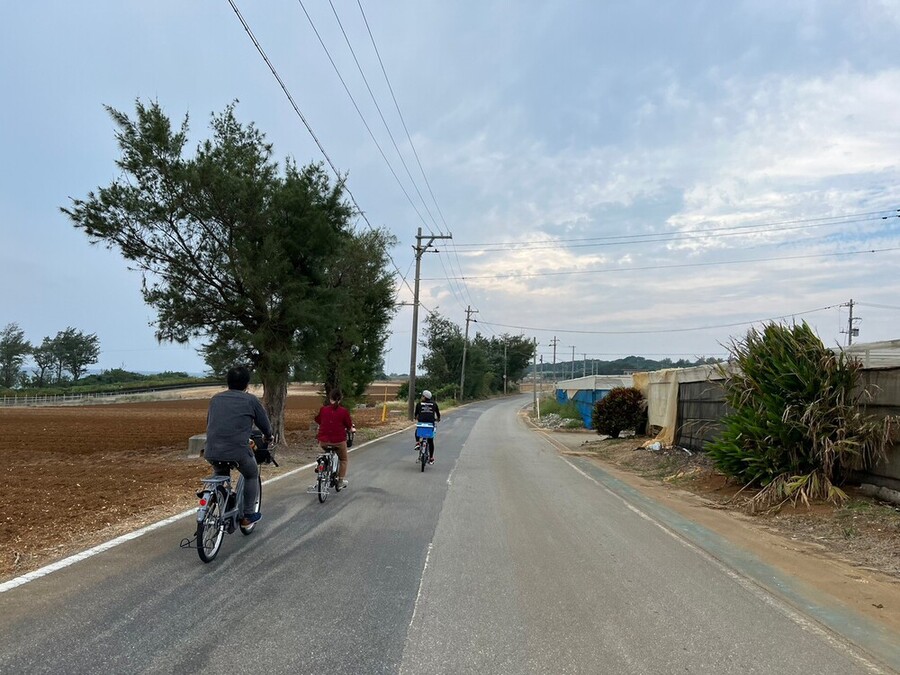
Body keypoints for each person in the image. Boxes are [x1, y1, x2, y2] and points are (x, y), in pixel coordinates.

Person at [205, 365, 273, 527]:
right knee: (251, 474)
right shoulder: (251, 400)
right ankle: (247, 516)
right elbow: (265, 425)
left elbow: (211, 423)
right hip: (237, 451)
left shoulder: (215, 399)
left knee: (220, 472)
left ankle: (220, 497)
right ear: (247, 384)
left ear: (228, 382)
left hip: (212, 449)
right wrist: (268, 436)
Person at [315, 388, 354, 489]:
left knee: (325, 451)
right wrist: (351, 429)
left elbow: (318, 420)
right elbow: (349, 425)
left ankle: (321, 465)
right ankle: (340, 481)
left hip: (323, 441)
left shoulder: (323, 409)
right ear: (340, 399)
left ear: (330, 398)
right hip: (338, 441)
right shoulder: (343, 411)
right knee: (343, 459)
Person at [414, 389, 441, 464]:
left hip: (421, 423)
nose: (421, 397)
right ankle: (431, 458)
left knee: (418, 431)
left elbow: (416, 414)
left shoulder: (419, 404)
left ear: (424, 397)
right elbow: (438, 413)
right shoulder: (434, 404)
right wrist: (438, 419)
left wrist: (416, 417)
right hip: (430, 424)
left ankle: (417, 443)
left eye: (422, 396)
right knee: (430, 441)